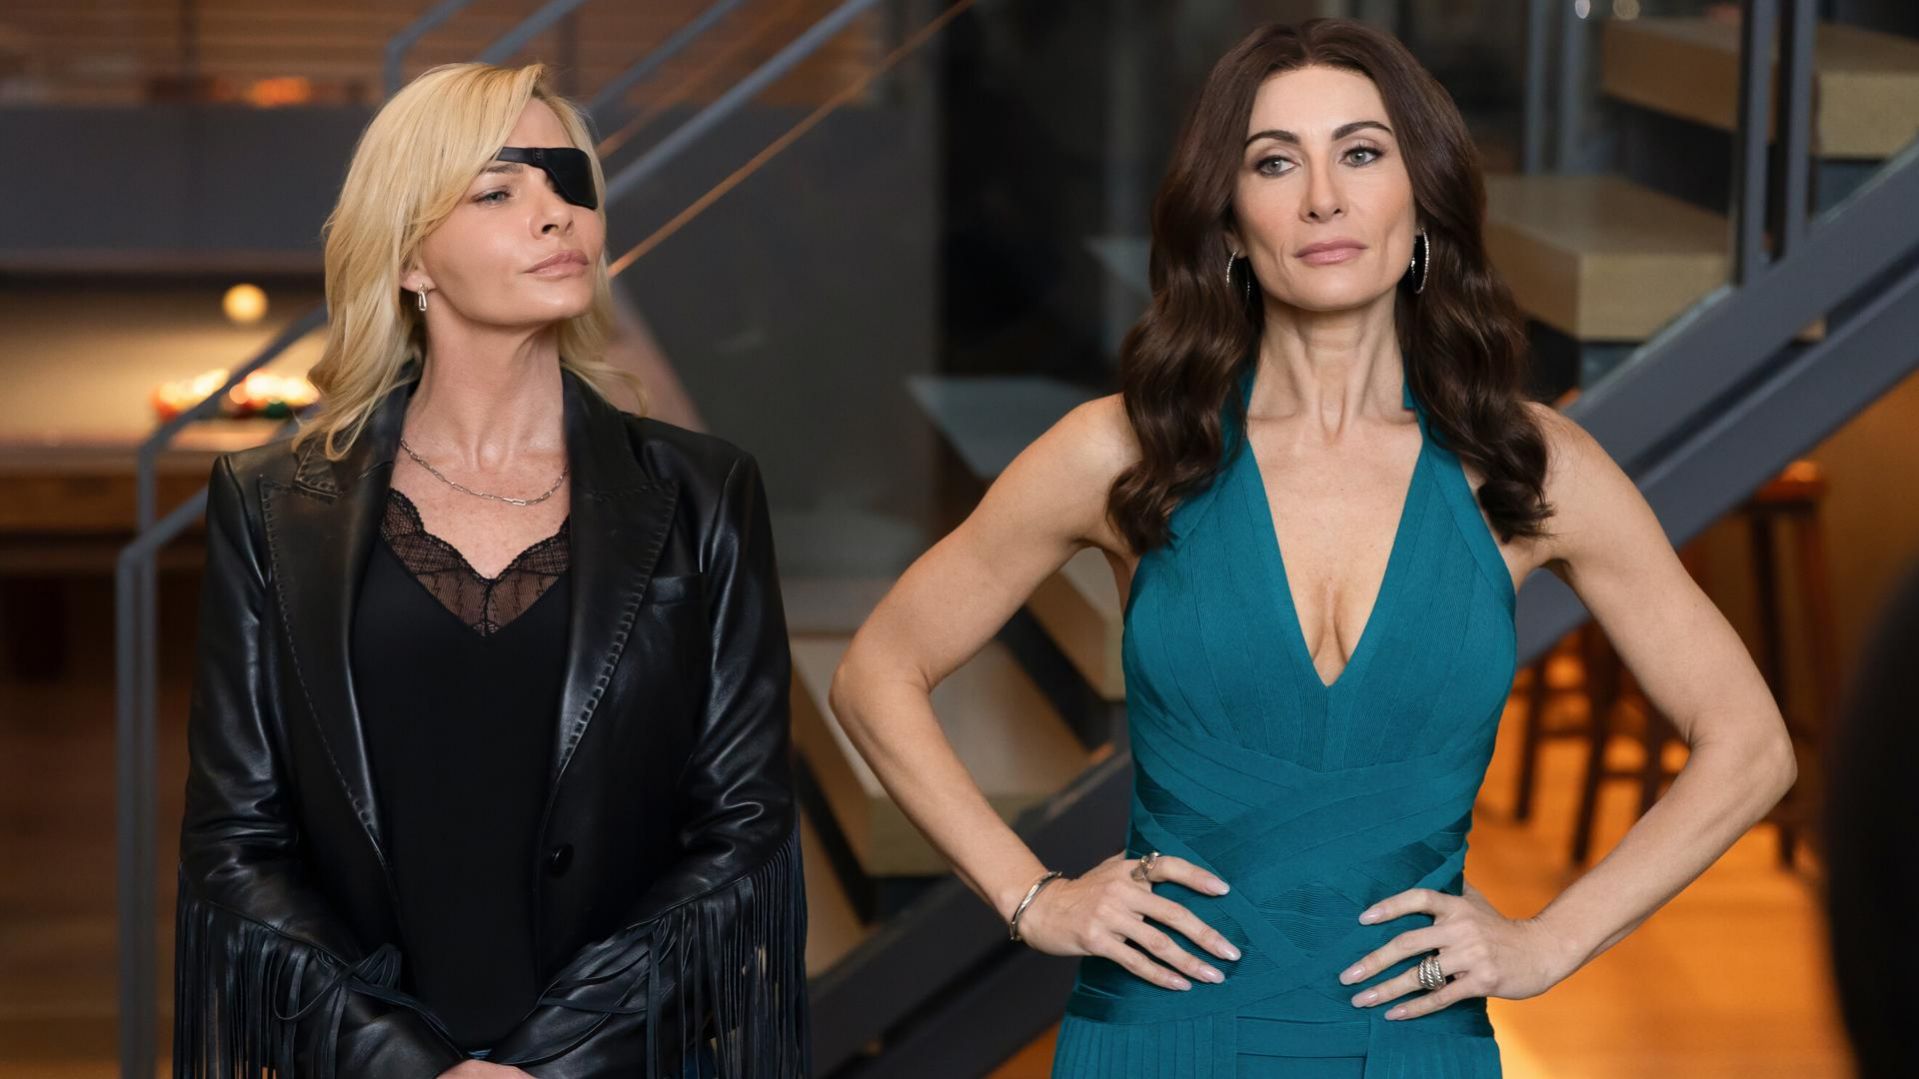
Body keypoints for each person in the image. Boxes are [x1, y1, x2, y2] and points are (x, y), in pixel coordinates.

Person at [826, 18, 1795, 1076]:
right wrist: (1031, 896)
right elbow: (879, 671)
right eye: (1274, 162)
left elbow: (1748, 744)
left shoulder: (1526, 465)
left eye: (1361, 152)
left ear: (1420, 199)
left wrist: (1551, 939)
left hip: (1412, 1039)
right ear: (1230, 223)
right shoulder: (1120, 450)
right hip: (1158, 1036)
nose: (1322, 197)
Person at [172, 62, 808, 1078]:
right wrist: (410, 1064)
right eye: (498, 191)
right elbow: (236, 842)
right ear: (408, 256)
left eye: (569, 182)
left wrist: (550, 1063)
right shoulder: (269, 503)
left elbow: (744, 828)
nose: (556, 214)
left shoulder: (704, 491)